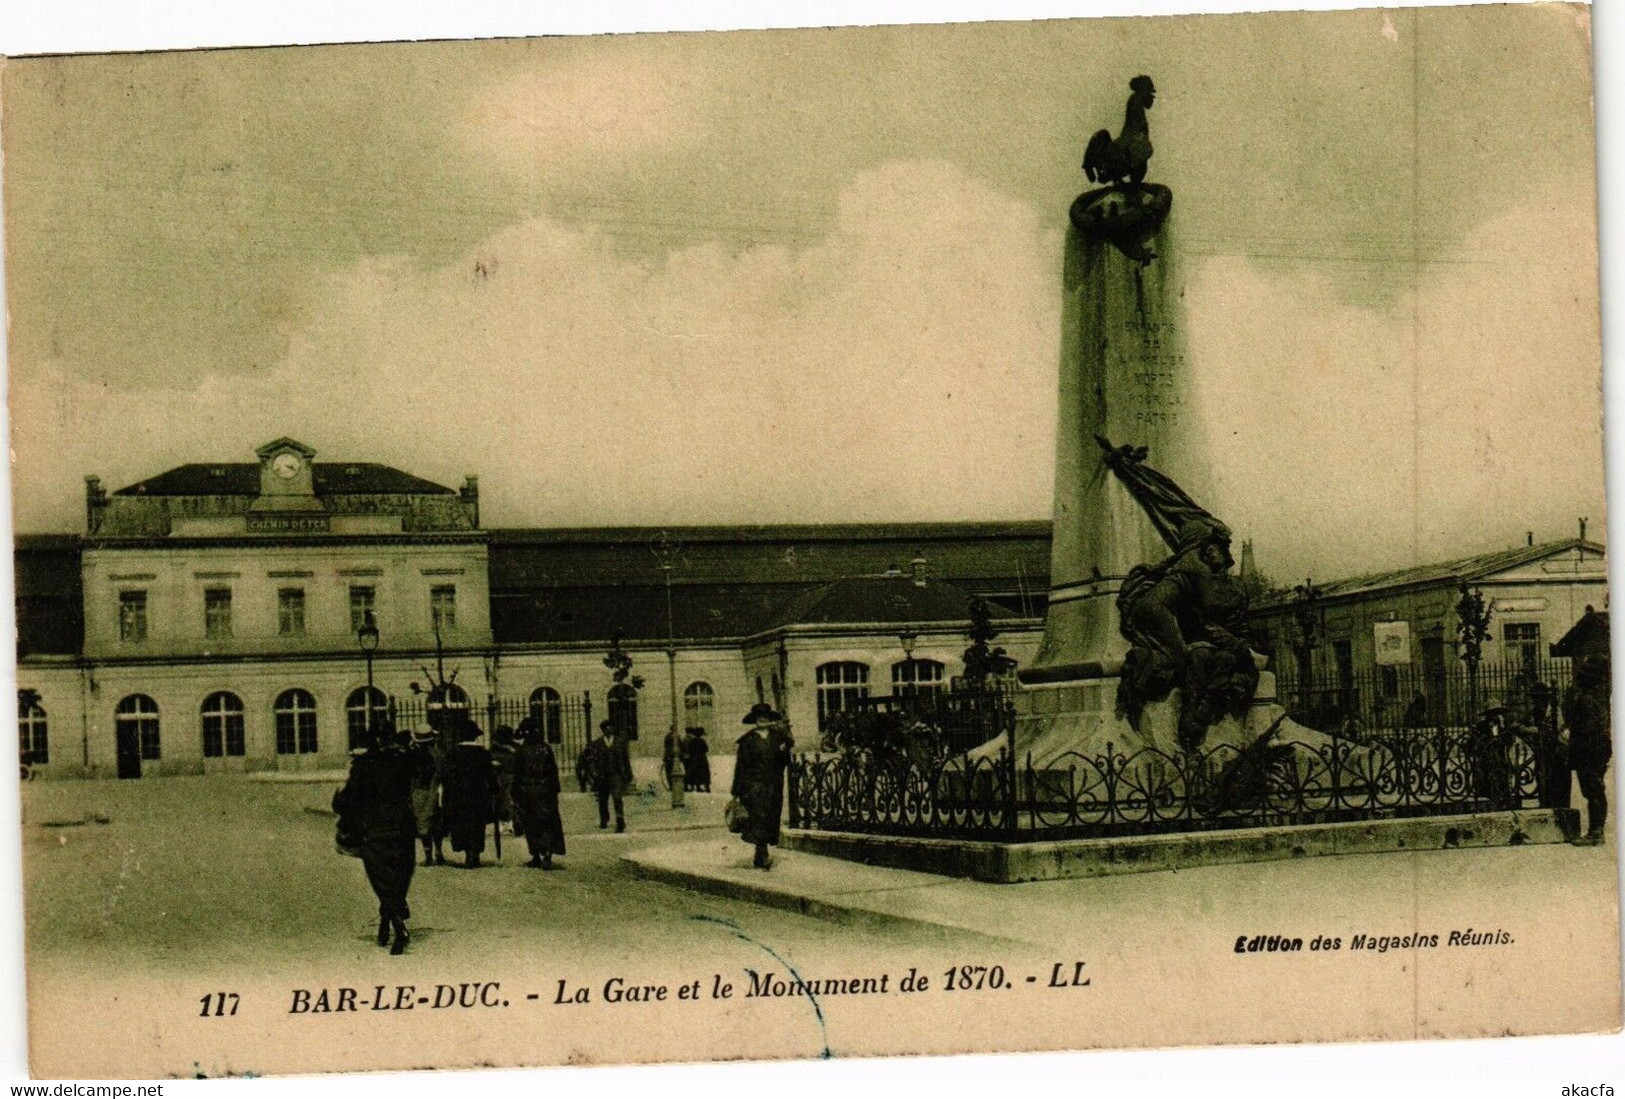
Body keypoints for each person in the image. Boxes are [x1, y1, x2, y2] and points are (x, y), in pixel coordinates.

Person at [332, 722, 417, 954]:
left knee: (381, 879)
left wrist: (338, 799)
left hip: (376, 829)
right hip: (402, 828)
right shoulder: (400, 761)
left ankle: (399, 927)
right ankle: (385, 923)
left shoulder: (363, 767)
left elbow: (347, 802)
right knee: (400, 875)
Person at [732, 703, 793, 869]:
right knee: (759, 817)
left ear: (769, 719)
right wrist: (736, 790)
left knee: (771, 816)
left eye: (766, 717)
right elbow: (741, 766)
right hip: (754, 785)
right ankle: (761, 854)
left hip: (774, 784)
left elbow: (785, 762)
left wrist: (783, 750)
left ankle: (761, 852)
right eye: (759, 717)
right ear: (755, 720)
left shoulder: (777, 738)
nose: (763, 720)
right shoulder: (747, 741)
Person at [1561, 653, 1612, 846]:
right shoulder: (1597, 698)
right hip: (1596, 750)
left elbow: (1587, 729)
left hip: (1589, 751)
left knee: (1593, 790)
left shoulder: (1587, 700)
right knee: (1594, 790)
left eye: (1581, 676)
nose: (1578, 679)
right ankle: (1595, 831)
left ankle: (1596, 833)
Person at [441, 720, 497, 868]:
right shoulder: (483, 754)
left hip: (459, 796)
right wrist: (494, 790)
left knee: (462, 824)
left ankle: (468, 853)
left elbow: (446, 775)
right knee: (477, 825)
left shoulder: (453, 753)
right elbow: (490, 776)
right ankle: (475, 853)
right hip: (478, 795)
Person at [512, 718, 566, 870]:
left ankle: (535, 855)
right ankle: (547, 854)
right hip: (545, 791)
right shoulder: (545, 748)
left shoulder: (521, 751)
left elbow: (517, 774)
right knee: (548, 823)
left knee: (530, 824)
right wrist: (555, 792)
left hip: (527, 791)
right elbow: (553, 772)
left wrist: (515, 793)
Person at [583, 720, 632, 832]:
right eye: (606, 728)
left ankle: (620, 820)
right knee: (603, 799)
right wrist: (594, 772)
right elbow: (592, 760)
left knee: (617, 797)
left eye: (611, 727)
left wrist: (628, 774)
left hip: (616, 774)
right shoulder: (597, 744)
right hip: (602, 775)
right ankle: (604, 819)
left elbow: (626, 759)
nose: (609, 730)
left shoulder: (620, 742)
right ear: (603, 730)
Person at [406, 729, 445, 866]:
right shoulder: (438, 754)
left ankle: (428, 854)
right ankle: (439, 851)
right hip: (436, 789)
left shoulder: (412, 755)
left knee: (423, 823)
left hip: (418, 791)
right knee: (437, 821)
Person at [490, 725, 517, 835]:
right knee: (507, 800)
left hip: (503, 776)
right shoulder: (512, 749)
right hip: (504, 776)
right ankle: (507, 823)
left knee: (504, 800)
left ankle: (506, 823)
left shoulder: (496, 748)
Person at [682, 727, 712, 793]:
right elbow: (706, 749)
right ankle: (707, 787)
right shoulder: (702, 741)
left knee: (696, 773)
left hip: (694, 759)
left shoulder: (692, 741)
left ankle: (697, 787)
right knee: (705, 773)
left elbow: (690, 750)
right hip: (702, 759)